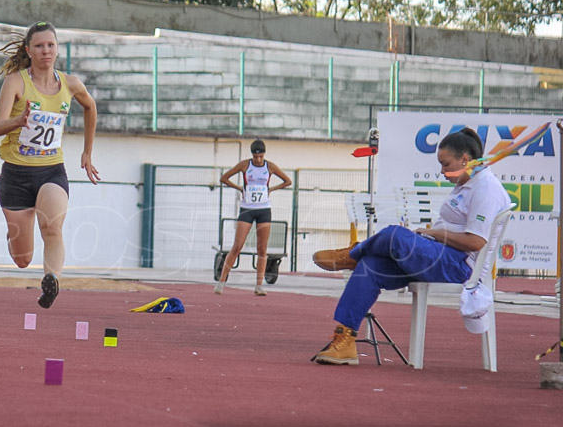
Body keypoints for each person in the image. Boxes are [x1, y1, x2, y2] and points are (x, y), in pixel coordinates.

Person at [311, 128, 511, 365]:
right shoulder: (466, 180)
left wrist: (434, 233)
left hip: (460, 264)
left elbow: (476, 242)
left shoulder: (486, 189)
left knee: (393, 235)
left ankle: (353, 253)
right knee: (371, 266)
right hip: (439, 254)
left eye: (445, 164)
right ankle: (345, 340)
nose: (442, 171)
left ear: (465, 160)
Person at [0, 21, 99, 308]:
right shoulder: (16, 82)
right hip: (15, 176)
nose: (46, 51)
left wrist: (87, 152)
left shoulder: (70, 84)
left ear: (57, 48)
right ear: (29, 50)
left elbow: (90, 106)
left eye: (50, 45)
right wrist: (19, 120)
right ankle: (14, 235)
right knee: (23, 259)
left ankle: (52, 279)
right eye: (39, 46)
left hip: (51, 171)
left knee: (51, 227)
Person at [213, 139, 292, 296]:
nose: (257, 160)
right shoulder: (244, 165)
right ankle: (221, 282)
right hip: (247, 208)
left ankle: (259, 285)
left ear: (263, 155)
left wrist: (271, 189)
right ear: (252, 155)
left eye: (260, 157)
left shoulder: (269, 166)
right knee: (237, 246)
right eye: (255, 157)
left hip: (264, 209)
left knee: (262, 248)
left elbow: (287, 181)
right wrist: (241, 188)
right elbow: (224, 178)